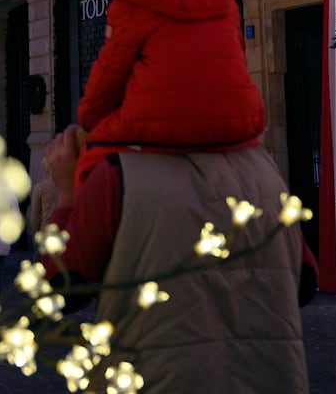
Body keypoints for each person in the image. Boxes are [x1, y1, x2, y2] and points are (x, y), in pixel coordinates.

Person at [43, 124, 313, 391]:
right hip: (270, 379)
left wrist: (66, 194)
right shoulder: (265, 170)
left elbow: (58, 288)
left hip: (162, 380)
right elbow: (305, 283)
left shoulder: (119, 171)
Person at [73, 0, 265, 186]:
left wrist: (86, 121)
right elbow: (237, 51)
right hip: (240, 121)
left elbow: (108, 78)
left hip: (167, 125)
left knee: (89, 156)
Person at [25, 157, 57, 241]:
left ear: (46, 168)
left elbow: (34, 219)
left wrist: (36, 239)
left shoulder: (40, 188)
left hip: (46, 233)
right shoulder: (69, 187)